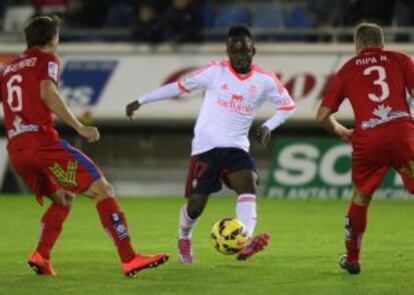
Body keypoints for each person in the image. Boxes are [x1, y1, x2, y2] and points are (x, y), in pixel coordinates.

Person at [0, 15, 169, 277]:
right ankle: (129, 259)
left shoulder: (9, 69)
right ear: (53, 39)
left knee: (64, 199)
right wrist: (80, 126)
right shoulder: (48, 60)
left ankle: (41, 256)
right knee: (103, 190)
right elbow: (47, 92)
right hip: (43, 146)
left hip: (18, 150)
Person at [126, 25, 296, 263]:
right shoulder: (214, 71)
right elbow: (179, 87)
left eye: (245, 51)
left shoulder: (265, 80)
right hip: (206, 147)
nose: (240, 56)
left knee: (248, 183)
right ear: (227, 50)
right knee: (195, 206)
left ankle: (245, 240)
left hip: (236, 146)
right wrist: (142, 100)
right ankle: (184, 237)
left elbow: (288, 105)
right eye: (235, 51)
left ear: (253, 50)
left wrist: (269, 126)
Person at [316, 22, 414, 274]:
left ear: (357, 45)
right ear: (381, 43)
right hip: (403, 135)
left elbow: (323, 115)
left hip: (368, 139)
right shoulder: (401, 59)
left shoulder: (348, 69)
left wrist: (342, 132)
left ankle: (353, 258)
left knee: (361, 198)